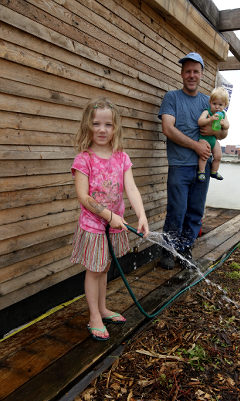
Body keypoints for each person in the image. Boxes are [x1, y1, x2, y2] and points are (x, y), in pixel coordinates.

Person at [70, 97, 149, 341]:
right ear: (87, 126)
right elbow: (84, 197)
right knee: (94, 270)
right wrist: (108, 215)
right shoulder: (84, 159)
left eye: (108, 125)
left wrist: (142, 216)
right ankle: (94, 315)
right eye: (96, 124)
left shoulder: (122, 157)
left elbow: (132, 189)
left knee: (104, 266)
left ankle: (103, 308)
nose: (102, 130)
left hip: (114, 224)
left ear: (115, 128)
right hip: (95, 226)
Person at [158, 52, 228, 270]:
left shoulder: (208, 101)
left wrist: (222, 131)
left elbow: (221, 134)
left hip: (203, 165)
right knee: (176, 210)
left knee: (195, 210)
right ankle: (168, 250)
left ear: (201, 75)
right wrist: (196, 145)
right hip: (179, 165)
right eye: (187, 71)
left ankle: (185, 249)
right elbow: (168, 128)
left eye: (195, 71)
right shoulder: (172, 97)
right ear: (181, 74)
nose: (191, 75)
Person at [197, 87, 230, 182]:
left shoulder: (223, 114)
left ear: (225, 105)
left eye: (220, 104)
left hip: (214, 139)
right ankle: (201, 172)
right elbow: (200, 122)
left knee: (218, 155)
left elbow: (227, 125)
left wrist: (224, 124)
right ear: (210, 102)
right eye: (214, 103)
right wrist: (210, 119)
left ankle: (214, 171)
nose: (217, 107)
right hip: (204, 138)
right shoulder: (207, 111)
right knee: (205, 155)